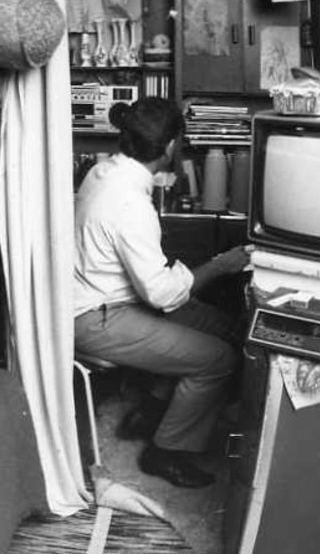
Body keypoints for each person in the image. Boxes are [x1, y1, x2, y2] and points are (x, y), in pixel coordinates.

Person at [72, 97, 250, 488]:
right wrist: (221, 265)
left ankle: (151, 412)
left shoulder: (102, 172)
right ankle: (165, 453)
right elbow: (163, 296)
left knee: (224, 326)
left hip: (109, 300)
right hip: (96, 317)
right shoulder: (131, 202)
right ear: (171, 147)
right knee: (217, 359)